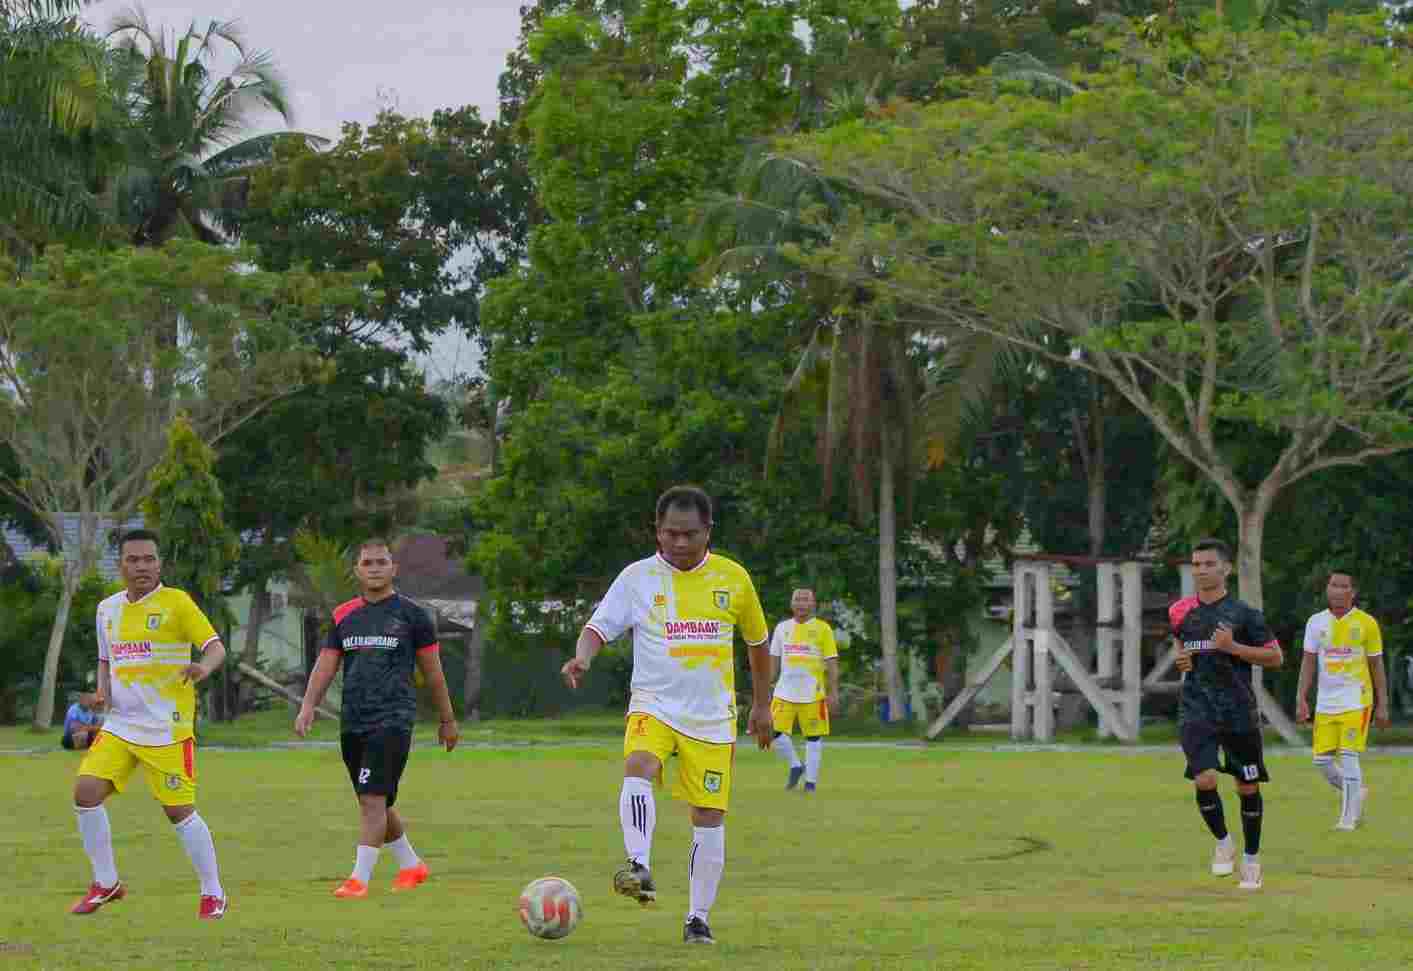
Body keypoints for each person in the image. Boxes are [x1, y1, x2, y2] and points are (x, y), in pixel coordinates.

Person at [560, 485, 772, 946]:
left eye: (689, 535)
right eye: (670, 534)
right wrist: (582, 658)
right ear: (657, 531)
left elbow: (757, 643)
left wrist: (761, 704)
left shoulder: (733, 579)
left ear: (707, 531)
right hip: (652, 704)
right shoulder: (637, 578)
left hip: (713, 717)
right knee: (637, 765)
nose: (679, 543)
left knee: (709, 815)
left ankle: (697, 918)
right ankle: (639, 865)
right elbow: (598, 627)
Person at [70, 529, 230, 918]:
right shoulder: (107, 609)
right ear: (121, 564)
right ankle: (106, 884)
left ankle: (214, 892)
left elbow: (215, 647)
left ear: (159, 563)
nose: (142, 566)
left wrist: (203, 668)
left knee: (179, 812)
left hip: (167, 729)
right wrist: (102, 692)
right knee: (85, 793)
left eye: (149, 559)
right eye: (133, 559)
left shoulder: (177, 603)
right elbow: (106, 659)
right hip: (121, 725)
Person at [295, 538, 459, 899]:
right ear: (357, 570)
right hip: (353, 720)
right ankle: (412, 865)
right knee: (374, 800)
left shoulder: (414, 616)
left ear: (393, 568)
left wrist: (447, 719)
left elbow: (433, 672)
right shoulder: (343, 615)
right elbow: (326, 663)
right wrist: (308, 705)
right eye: (367, 563)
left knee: (372, 798)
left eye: (381, 562)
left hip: (393, 719)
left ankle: (358, 880)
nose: (374, 568)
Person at [1171, 538, 1284, 891]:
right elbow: (1181, 646)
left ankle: (1251, 859)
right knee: (1204, 779)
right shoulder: (1181, 612)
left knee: (1246, 785)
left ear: (1225, 569)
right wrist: (1182, 660)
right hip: (1196, 708)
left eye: (1208, 564)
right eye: (1196, 564)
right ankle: (1223, 842)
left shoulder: (1245, 615)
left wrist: (1233, 647)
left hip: (1237, 710)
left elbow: (1276, 657)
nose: (1201, 570)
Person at [1294, 570, 1389, 831]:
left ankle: (1347, 820)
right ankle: (1357, 791)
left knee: (1348, 756)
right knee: (1322, 761)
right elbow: (1308, 661)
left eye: (1342, 586)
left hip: (1357, 700)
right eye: (1332, 585)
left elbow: (1376, 664)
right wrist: (1301, 697)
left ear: (1352, 592)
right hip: (1325, 703)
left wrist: (1383, 703)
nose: (1336, 590)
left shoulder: (1366, 623)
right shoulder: (1316, 622)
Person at [768, 588, 839, 793]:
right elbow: (774, 660)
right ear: (791, 604)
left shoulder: (823, 629)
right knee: (773, 730)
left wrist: (833, 691)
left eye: (806, 600)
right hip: (784, 691)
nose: (801, 603)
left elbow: (832, 662)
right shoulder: (782, 628)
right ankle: (796, 765)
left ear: (813, 604)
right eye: (797, 599)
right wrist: (766, 686)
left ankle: (810, 783)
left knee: (814, 737)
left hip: (812, 693)